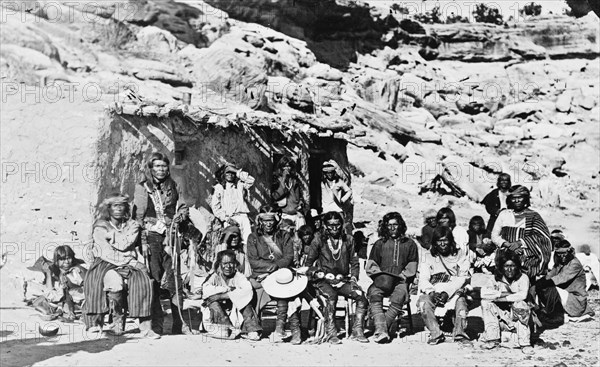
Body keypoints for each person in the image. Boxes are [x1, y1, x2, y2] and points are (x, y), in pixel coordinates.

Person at [132, 152, 195, 335]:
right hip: (151, 237)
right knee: (154, 279)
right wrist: (142, 239)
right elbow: (138, 216)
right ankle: (156, 324)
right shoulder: (143, 187)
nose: (161, 169)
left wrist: (180, 216)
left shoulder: (174, 185)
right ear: (151, 169)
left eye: (163, 166)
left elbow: (182, 205)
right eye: (157, 166)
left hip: (171, 236)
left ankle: (180, 323)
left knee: (175, 280)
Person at [84, 193, 159, 339]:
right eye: (114, 206)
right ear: (109, 209)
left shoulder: (132, 225)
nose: (118, 209)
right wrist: (127, 258)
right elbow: (105, 251)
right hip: (106, 262)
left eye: (121, 206)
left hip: (127, 263)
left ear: (126, 207)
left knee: (143, 281)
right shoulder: (100, 226)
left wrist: (113, 236)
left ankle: (145, 328)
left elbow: (126, 244)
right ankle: (98, 323)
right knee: (104, 282)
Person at [301, 211, 369, 344]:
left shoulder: (348, 240)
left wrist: (354, 278)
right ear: (325, 226)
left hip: (343, 280)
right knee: (331, 296)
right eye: (330, 225)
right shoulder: (318, 240)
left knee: (361, 296)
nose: (334, 228)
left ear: (341, 225)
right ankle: (331, 333)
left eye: (337, 225)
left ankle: (358, 330)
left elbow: (354, 262)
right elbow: (308, 264)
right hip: (323, 280)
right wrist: (316, 274)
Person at [246, 205, 300, 344]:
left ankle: (282, 329)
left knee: (287, 292)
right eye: (265, 220)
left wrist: (276, 267)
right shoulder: (253, 237)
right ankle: (253, 327)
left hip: (280, 273)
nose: (268, 223)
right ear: (260, 221)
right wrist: (271, 267)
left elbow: (288, 257)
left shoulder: (284, 236)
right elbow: (253, 261)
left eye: (271, 220)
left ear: (275, 220)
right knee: (249, 291)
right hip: (261, 275)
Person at [365, 212, 418, 343]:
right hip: (382, 280)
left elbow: (412, 265)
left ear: (401, 226)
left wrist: (402, 276)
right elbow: (371, 265)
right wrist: (381, 276)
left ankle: (381, 329)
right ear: (385, 227)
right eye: (389, 225)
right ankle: (383, 330)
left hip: (401, 281)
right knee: (374, 293)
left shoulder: (410, 244)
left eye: (395, 225)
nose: (393, 228)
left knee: (399, 296)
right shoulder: (379, 244)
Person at [418, 226, 471, 344]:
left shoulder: (460, 254)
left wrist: (447, 292)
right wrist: (431, 292)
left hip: (454, 289)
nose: (442, 244)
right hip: (434, 288)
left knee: (461, 302)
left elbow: (462, 277)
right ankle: (435, 333)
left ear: (451, 240)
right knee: (423, 302)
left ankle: (459, 333)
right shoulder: (428, 256)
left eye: (445, 240)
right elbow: (423, 278)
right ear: (434, 242)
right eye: (439, 241)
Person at [491, 185, 552, 280]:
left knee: (526, 289)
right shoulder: (504, 214)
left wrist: (519, 243)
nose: (517, 201)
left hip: (527, 261)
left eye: (520, 197)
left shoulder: (533, 216)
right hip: (505, 259)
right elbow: (494, 236)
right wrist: (509, 245)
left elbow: (543, 238)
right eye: (513, 198)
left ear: (525, 199)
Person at [479, 250, 534, 355]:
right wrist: (500, 293)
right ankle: (492, 339)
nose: (509, 269)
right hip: (502, 316)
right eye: (506, 266)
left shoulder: (523, 278)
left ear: (517, 266)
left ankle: (525, 343)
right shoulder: (495, 279)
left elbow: (522, 295)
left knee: (520, 304)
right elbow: (484, 293)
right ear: (501, 267)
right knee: (486, 303)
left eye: (512, 266)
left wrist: (504, 298)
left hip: (519, 317)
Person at [202, 250, 262, 340]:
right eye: (225, 263)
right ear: (219, 264)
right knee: (211, 301)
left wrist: (222, 296)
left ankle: (252, 329)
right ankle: (227, 328)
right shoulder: (215, 276)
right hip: (221, 313)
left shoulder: (239, 276)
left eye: (231, 263)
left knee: (244, 300)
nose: (228, 266)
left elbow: (247, 289)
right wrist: (228, 289)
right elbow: (206, 289)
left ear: (235, 264)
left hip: (236, 311)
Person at [535, 240, 594, 327]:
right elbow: (550, 275)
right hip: (566, 298)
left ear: (570, 251)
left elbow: (560, 278)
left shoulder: (574, 264)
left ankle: (556, 316)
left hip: (575, 301)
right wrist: (537, 283)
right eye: (559, 253)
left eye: (564, 253)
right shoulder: (560, 263)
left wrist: (541, 283)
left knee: (550, 288)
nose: (561, 256)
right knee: (540, 286)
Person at [27, 246, 86, 322]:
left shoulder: (76, 271)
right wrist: (48, 273)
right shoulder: (56, 271)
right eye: (62, 259)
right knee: (40, 301)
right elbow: (49, 292)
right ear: (57, 261)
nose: (66, 261)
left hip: (77, 299)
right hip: (63, 298)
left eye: (69, 258)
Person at [211, 162, 255, 246]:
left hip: (243, 217)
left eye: (232, 173)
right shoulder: (219, 188)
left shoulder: (240, 185)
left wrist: (237, 172)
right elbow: (216, 208)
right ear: (223, 174)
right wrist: (226, 219)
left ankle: (245, 258)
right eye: (228, 172)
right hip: (230, 219)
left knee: (247, 243)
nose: (230, 175)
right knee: (230, 243)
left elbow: (251, 180)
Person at [272, 156, 306, 229]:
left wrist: (300, 204)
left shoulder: (294, 180)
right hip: (284, 214)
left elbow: (298, 196)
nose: (287, 168)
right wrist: (283, 179)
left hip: (296, 214)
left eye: (289, 166)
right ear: (281, 168)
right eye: (285, 166)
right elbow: (276, 196)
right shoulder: (276, 180)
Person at [320, 160, 353, 234]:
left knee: (340, 229)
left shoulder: (339, 182)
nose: (329, 175)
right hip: (326, 209)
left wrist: (342, 200)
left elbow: (349, 191)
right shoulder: (322, 182)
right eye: (327, 173)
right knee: (326, 230)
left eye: (331, 173)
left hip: (337, 208)